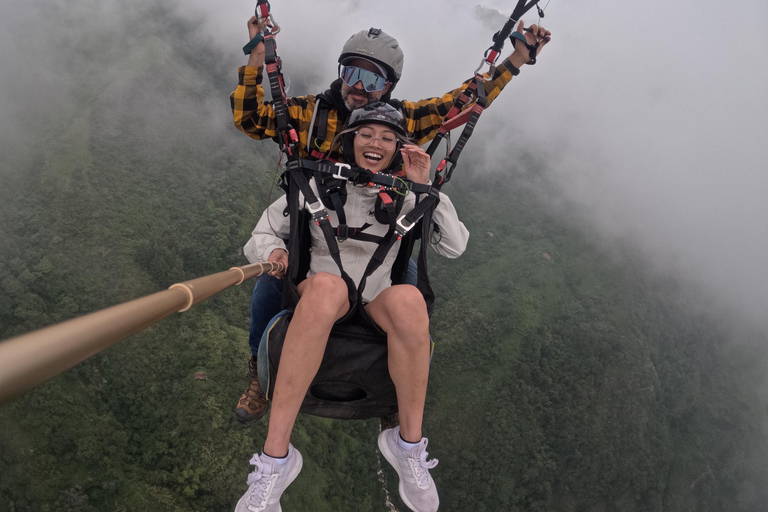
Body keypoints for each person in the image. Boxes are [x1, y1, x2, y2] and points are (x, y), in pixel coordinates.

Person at [231, 17, 552, 423]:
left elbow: (464, 102)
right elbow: (250, 118)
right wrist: (257, 59)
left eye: (372, 79)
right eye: (352, 73)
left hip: (375, 233)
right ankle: (260, 374)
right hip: (313, 226)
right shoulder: (309, 113)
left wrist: (516, 59)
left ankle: (396, 385)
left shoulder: (396, 123)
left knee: (413, 293)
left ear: (389, 86)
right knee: (269, 283)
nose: (359, 88)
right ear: (340, 73)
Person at [235, 102, 466, 512]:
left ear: (398, 148)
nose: (375, 143)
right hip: (325, 298)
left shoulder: (405, 195)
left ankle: (407, 445)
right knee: (326, 287)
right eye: (366, 134)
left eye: (387, 138)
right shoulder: (316, 184)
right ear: (350, 141)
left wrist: (424, 187)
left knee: (411, 299)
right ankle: (274, 461)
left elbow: (454, 245)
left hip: (377, 301)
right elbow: (266, 229)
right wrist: (274, 250)